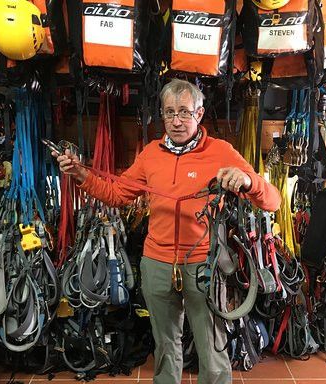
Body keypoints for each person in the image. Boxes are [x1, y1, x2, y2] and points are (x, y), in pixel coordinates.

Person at [53, 79, 281, 384]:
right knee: (165, 344)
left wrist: (248, 181)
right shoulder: (150, 154)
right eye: (170, 112)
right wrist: (81, 173)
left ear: (199, 114)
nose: (176, 121)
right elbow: (118, 193)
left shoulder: (221, 152)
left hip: (203, 263)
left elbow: (273, 200)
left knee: (211, 346)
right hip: (157, 262)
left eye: (185, 112)